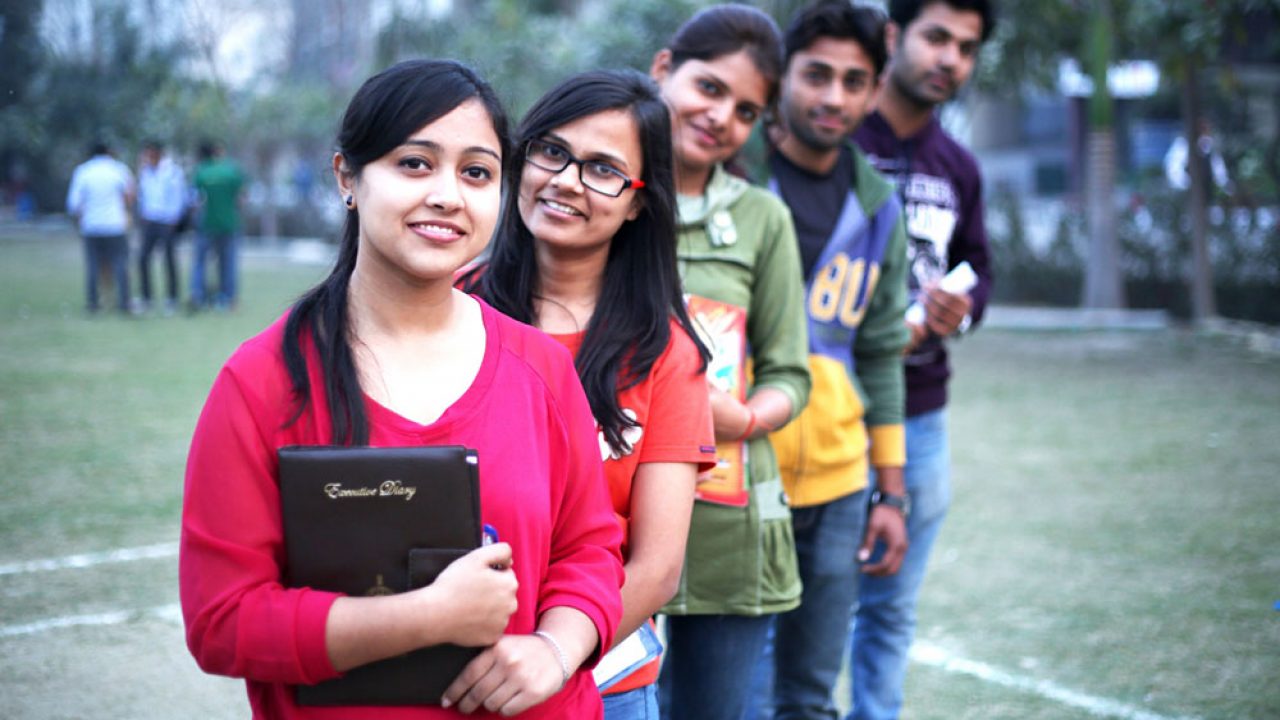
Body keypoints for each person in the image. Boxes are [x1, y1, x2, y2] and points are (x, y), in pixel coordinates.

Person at [179, 59, 624, 719]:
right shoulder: (263, 381)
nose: (447, 195)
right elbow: (224, 620)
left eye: (477, 172)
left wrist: (556, 650)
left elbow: (590, 549)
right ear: (347, 178)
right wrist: (426, 616)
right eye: (415, 163)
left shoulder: (540, 366)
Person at [462, 68, 716, 720]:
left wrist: (553, 651)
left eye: (603, 170)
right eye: (551, 151)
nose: (566, 181)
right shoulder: (450, 307)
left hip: (602, 682)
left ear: (638, 201)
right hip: (452, 666)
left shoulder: (666, 353)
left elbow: (657, 567)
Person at [648, 7, 812, 720]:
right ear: (663, 70)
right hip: (604, 524)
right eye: (709, 88)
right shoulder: (592, 195)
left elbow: (790, 372)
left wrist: (742, 418)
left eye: (746, 110)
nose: (721, 117)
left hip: (726, 521)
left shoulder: (763, 219)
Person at [750, 3, 910, 718]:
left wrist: (892, 493)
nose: (834, 98)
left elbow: (881, 355)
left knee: (811, 696)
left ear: (875, 91)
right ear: (783, 76)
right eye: (817, 75)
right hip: (733, 473)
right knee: (726, 694)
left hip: (842, 484)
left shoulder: (879, 208)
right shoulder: (733, 179)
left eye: (855, 81)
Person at [848, 2, 996, 718]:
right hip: (825, 406)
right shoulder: (834, 138)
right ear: (893, 36)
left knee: (890, 608)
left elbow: (980, 268)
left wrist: (960, 312)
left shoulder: (959, 166)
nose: (951, 60)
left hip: (922, 414)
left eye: (966, 49)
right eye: (938, 38)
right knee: (793, 605)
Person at [66, 140, 135, 314]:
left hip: (91, 225)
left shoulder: (83, 171)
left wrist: (83, 219)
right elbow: (130, 196)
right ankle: (124, 303)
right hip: (115, 224)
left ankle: (93, 304)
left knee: (93, 266)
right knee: (120, 264)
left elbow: (74, 204)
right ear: (109, 152)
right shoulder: (118, 169)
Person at [189, 139, 245, 311]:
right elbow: (241, 199)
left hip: (206, 224)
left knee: (200, 262)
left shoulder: (201, 172)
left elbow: (196, 201)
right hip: (229, 223)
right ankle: (227, 298)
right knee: (228, 262)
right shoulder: (232, 171)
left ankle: (198, 296)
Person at [136, 139, 188, 314]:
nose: (148, 156)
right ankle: (146, 298)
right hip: (150, 219)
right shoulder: (145, 171)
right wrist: (143, 214)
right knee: (143, 258)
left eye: (151, 152)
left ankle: (171, 299)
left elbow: (179, 196)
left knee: (169, 260)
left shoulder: (173, 172)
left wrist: (174, 218)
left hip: (167, 220)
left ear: (158, 153)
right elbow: (143, 195)